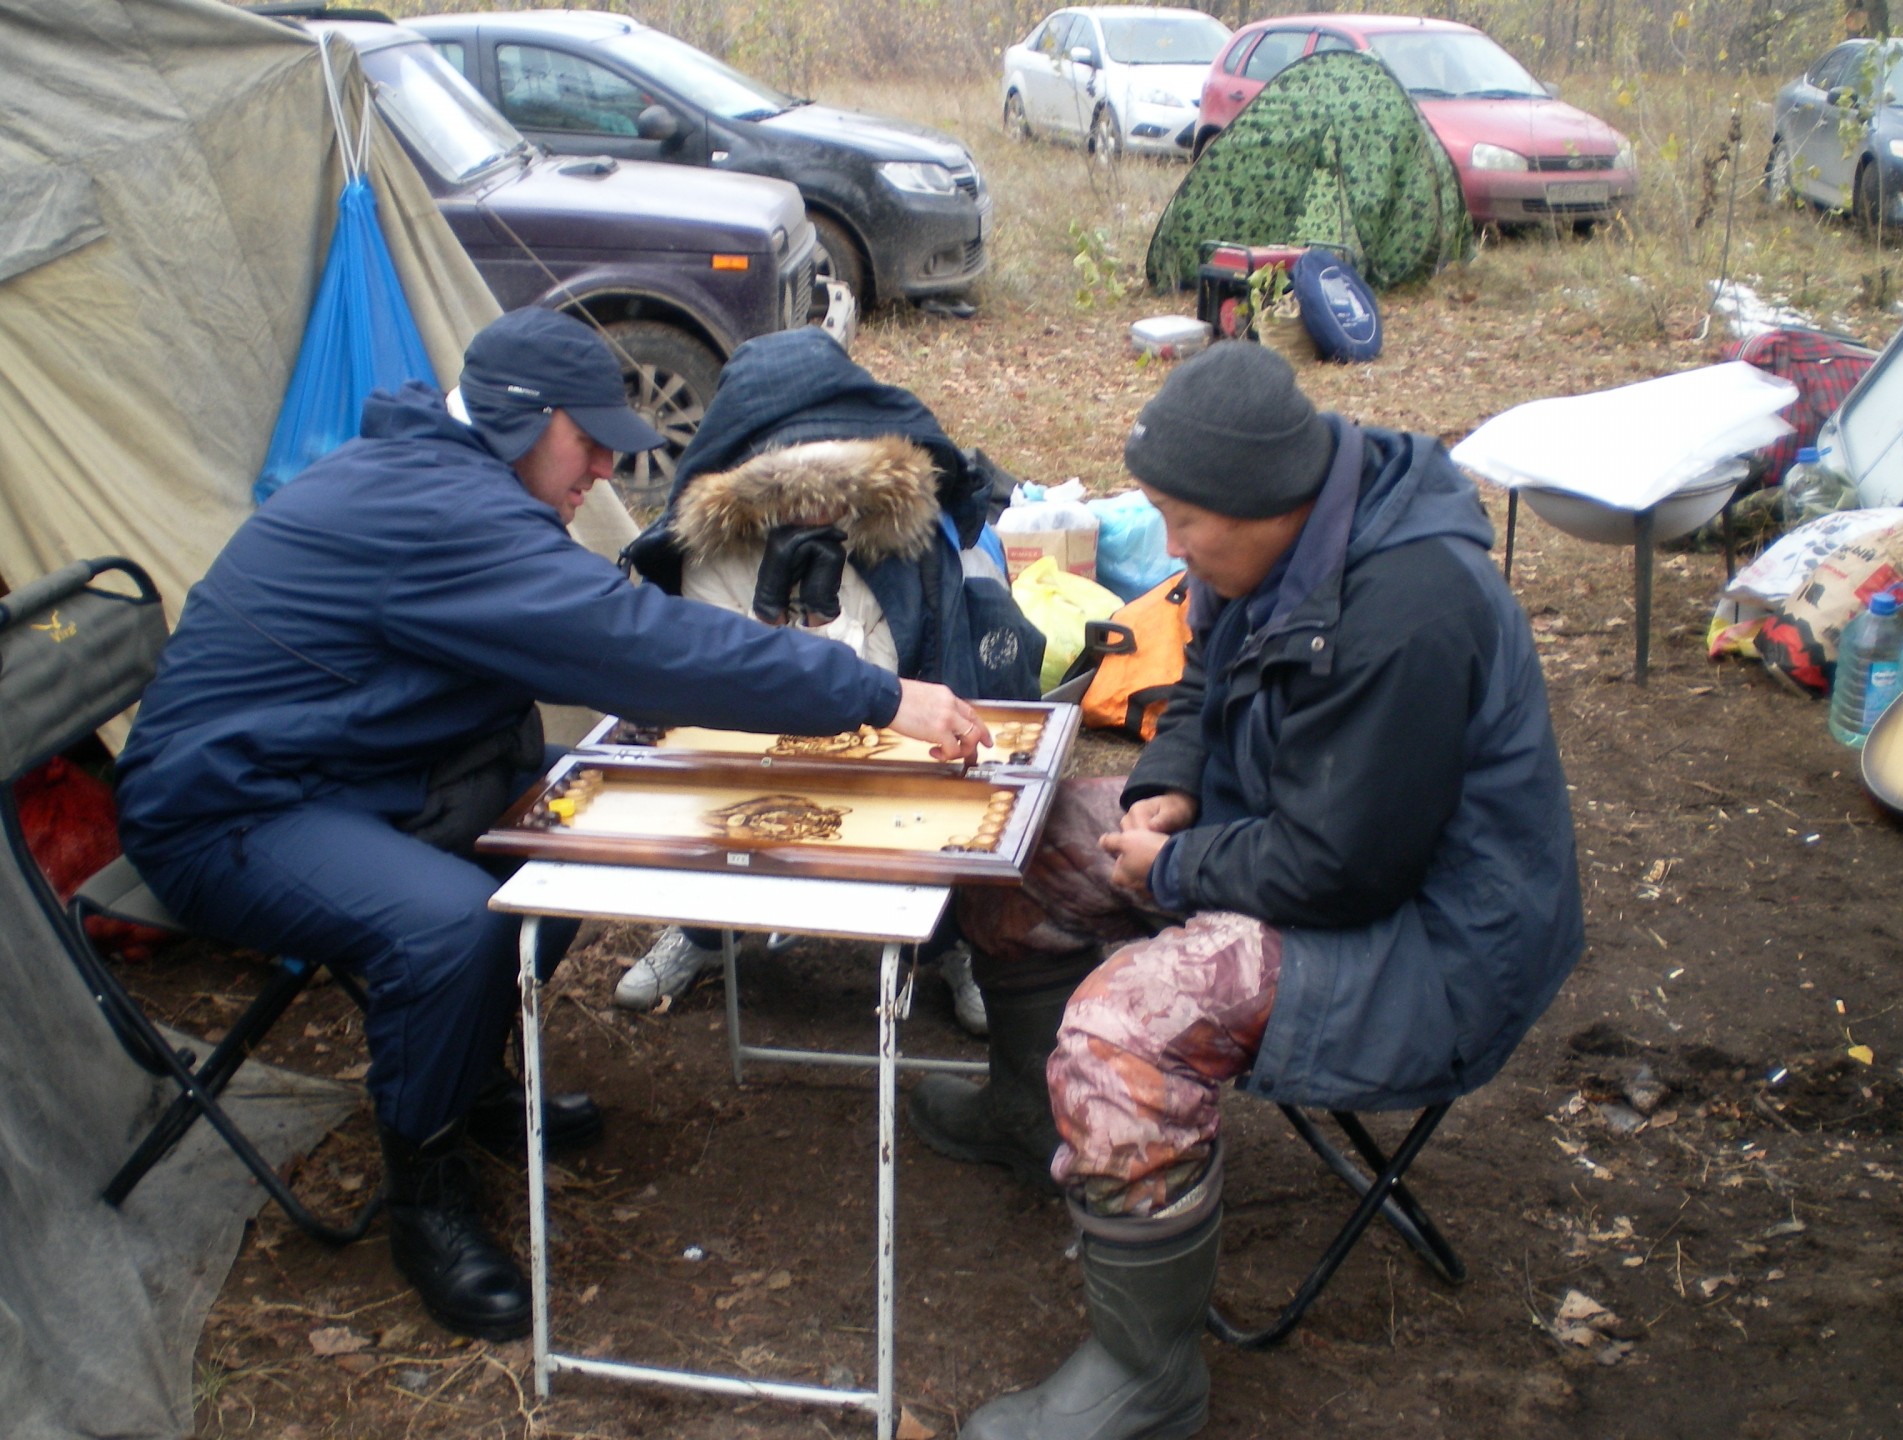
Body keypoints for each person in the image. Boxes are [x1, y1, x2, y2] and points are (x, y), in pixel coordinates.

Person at [114, 307, 989, 1344]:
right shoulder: (442, 512)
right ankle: (425, 1195)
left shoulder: (453, 478)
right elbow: (638, 645)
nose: (606, 472)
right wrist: (879, 696)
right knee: (448, 924)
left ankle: (469, 1073)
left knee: (562, 824)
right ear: (518, 421)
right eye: (590, 443)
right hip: (226, 805)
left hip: (344, 764)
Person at [908, 341, 1585, 1440]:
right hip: (1302, 846)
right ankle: (1030, 1113)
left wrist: (1174, 869)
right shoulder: (1278, 547)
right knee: (1022, 851)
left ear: (1270, 501)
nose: (1170, 547)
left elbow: (1343, 869)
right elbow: (1201, 681)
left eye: (1184, 523)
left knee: (1124, 1029)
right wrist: (1168, 788)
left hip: (1432, 950)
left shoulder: (1412, 611)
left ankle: (1147, 1376)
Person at [610, 327, 1045, 1028]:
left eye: (832, 487)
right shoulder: (713, 552)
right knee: (709, 784)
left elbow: (899, 687)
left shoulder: (903, 543)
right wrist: (770, 610)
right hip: (748, 746)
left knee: (957, 771)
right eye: (791, 490)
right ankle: (704, 926)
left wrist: (822, 616)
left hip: (889, 742)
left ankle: (954, 936)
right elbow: (717, 690)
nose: (815, 508)